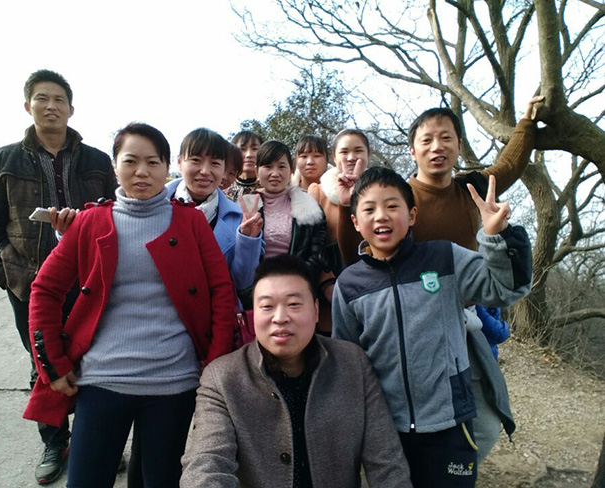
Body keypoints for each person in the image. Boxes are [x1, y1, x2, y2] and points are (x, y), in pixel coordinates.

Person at [23, 122, 235, 488]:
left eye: (153, 162)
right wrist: (52, 364)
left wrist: (214, 369)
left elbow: (221, 292)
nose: (142, 172)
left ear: (167, 167)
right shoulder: (89, 222)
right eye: (131, 161)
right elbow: (44, 289)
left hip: (175, 382)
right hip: (101, 380)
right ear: (114, 165)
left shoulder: (191, 222)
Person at [332, 167, 532, 487]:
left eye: (392, 206)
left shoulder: (443, 258)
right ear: (355, 221)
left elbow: (508, 287)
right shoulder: (349, 286)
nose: (381, 216)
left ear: (412, 215)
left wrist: (497, 237)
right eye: (369, 209)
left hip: (450, 423)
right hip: (387, 430)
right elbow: (348, 361)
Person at [0, 69, 118, 485]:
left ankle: (93, 439)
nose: (51, 106)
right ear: (28, 106)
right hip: (28, 278)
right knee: (43, 360)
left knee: (91, 357)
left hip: (87, 277)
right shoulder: (3, 160)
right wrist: (6, 273)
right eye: (42, 98)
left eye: (59, 99)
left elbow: (113, 212)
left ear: (71, 109)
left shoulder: (96, 160)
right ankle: (55, 441)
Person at [180, 254, 412, 487]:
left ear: (316, 310)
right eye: (267, 306)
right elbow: (205, 465)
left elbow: (387, 462)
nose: (280, 318)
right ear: (254, 314)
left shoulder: (352, 364)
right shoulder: (222, 378)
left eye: (294, 304)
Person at [404, 96, 543, 464]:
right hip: (413, 320)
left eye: (446, 138)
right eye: (427, 139)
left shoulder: (473, 188)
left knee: (483, 420)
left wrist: (527, 122)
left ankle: (456, 473)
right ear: (412, 149)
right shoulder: (399, 198)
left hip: (465, 318)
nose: (437, 147)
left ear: (459, 145)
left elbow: (510, 164)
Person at [240, 140, 332, 313]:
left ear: (291, 169)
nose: (275, 173)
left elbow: (317, 253)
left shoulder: (309, 206)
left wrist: (294, 282)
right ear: (257, 170)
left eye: (281, 166)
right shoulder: (245, 206)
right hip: (255, 294)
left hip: (297, 292)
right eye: (268, 166)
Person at [167, 128, 263, 291]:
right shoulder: (155, 205)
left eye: (215, 163)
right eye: (196, 160)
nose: (205, 171)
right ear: (179, 162)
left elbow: (242, 283)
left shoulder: (238, 218)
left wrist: (248, 240)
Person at [308, 129, 370, 267]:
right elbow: (311, 243)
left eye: (358, 151)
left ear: (368, 154)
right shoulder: (318, 192)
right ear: (334, 157)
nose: (351, 157)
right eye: (344, 152)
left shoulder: (383, 190)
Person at [224, 130, 263, 201]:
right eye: (242, 149)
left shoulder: (269, 188)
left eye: (255, 149)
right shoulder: (223, 186)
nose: (249, 155)